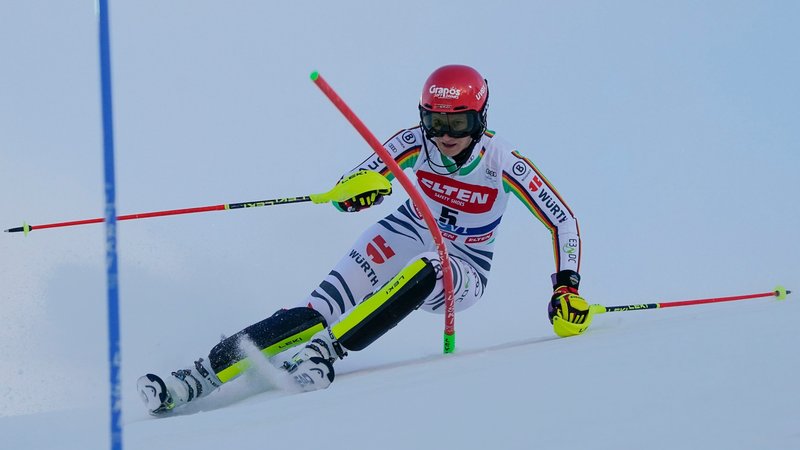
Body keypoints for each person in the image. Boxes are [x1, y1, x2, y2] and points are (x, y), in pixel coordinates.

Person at [137, 64, 592, 415]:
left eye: (459, 124)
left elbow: (563, 220)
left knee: (432, 268)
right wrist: (356, 196)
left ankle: (326, 353)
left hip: (465, 262)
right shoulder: (416, 142)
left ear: (481, 119)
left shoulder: (502, 161)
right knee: (316, 310)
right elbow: (353, 184)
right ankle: (197, 376)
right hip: (407, 230)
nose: (445, 136)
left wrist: (566, 287)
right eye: (436, 121)